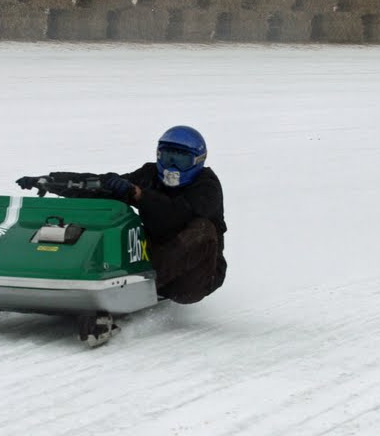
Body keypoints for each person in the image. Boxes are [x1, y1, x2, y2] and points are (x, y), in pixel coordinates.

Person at [16, 125, 227, 304]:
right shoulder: (150, 175)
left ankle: (137, 287)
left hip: (194, 278)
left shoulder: (207, 187)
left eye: (180, 160)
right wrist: (52, 181)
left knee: (203, 229)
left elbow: (175, 214)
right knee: (114, 214)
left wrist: (139, 195)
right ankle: (76, 272)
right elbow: (102, 186)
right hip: (154, 261)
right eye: (168, 157)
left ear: (198, 161)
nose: (172, 166)